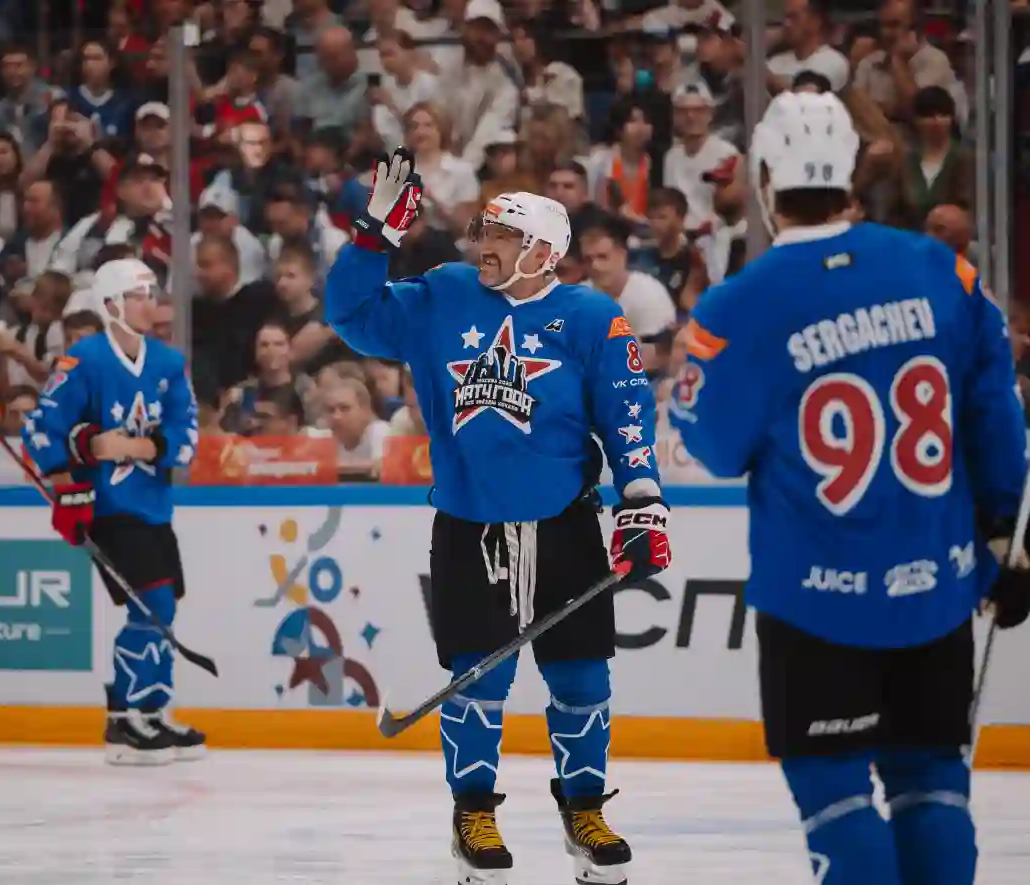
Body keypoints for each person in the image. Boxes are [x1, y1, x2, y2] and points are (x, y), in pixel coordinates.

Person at [670, 91, 1030, 885]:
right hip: (937, 585)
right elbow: (994, 409)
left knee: (834, 794)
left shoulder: (738, 304)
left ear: (767, 179)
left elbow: (714, 448)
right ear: (851, 173)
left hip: (813, 599)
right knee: (931, 780)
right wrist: (1007, 531)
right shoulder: (941, 268)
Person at [325, 149, 672, 885]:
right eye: (482, 231)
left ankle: (585, 810)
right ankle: (473, 814)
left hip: (565, 524)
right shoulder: (444, 294)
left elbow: (627, 416)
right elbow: (350, 316)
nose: (483, 244)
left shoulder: (591, 316)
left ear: (544, 252)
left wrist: (642, 501)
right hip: (470, 526)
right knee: (477, 678)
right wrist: (373, 239)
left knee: (582, 677)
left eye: (503, 236)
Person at [21, 258, 206, 767]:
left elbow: (186, 435)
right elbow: (41, 429)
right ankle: (124, 720)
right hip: (108, 508)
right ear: (111, 305)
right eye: (139, 295)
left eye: (152, 293)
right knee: (154, 605)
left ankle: (152, 710)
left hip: (154, 506)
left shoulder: (167, 363)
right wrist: (73, 472)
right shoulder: (84, 360)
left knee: (163, 607)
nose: (151, 303)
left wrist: (134, 447)